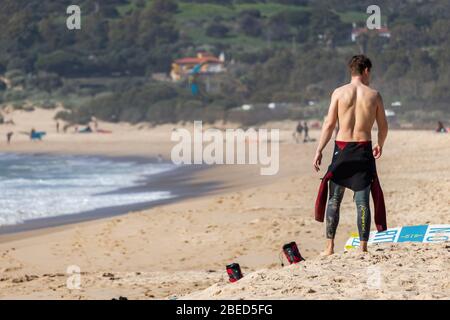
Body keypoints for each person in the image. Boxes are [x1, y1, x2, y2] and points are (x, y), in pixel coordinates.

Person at [313, 55, 389, 255]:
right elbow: (383, 126)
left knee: (334, 199)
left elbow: (329, 125)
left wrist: (319, 149)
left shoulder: (338, 93)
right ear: (365, 71)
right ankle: (363, 247)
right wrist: (380, 145)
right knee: (362, 201)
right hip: (363, 149)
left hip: (342, 149)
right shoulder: (374, 95)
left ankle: (329, 248)